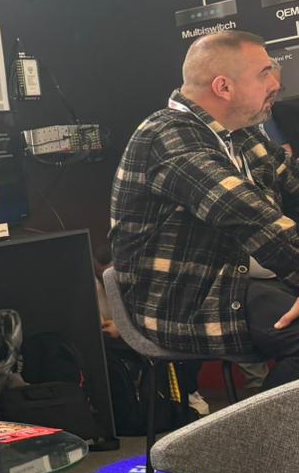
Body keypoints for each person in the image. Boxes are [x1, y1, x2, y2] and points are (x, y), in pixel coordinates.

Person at [110, 29, 299, 390]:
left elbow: (293, 184)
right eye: (264, 73)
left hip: (245, 280)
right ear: (223, 87)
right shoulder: (168, 137)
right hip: (189, 297)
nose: (276, 84)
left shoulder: (241, 134)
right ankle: (257, 429)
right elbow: (249, 217)